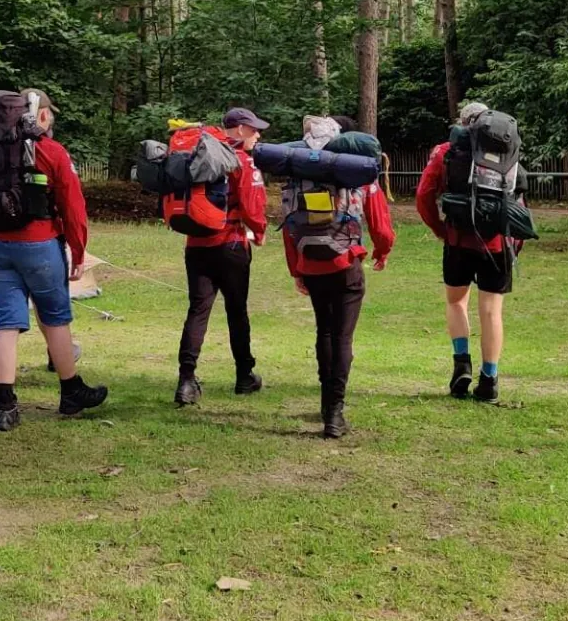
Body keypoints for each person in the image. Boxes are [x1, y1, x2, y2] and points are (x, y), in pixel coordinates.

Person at [0, 89, 108, 432]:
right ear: (42, 115)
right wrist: (78, 252)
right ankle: (70, 390)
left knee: (6, 320)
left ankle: (5, 406)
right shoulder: (51, 151)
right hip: (38, 245)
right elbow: (74, 210)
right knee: (55, 316)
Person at [280, 114, 395, 438]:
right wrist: (382, 251)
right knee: (341, 337)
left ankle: (325, 404)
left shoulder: (297, 175)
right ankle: (335, 413)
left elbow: (288, 227)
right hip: (346, 265)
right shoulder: (356, 171)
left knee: (324, 332)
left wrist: (297, 269)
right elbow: (381, 225)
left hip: (311, 264)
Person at [416, 101, 517, 403]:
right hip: (497, 243)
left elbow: (423, 195)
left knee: (456, 302)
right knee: (491, 310)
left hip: (459, 240)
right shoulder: (507, 151)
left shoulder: (446, 152)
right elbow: (517, 200)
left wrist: (440, 229)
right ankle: (490, 379)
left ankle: (462, 364)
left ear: (461, 123)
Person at [175, 108, 271, 406]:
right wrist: (260, 230)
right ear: (239, 129)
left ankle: (186, 381)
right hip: (231, 245)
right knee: (236, 311)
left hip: (196, 245)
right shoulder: (241, 160)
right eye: (254, 129)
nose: (258, 134)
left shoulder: (196, 154)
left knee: (198, 310)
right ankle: (244, 375)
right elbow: (252, 205)